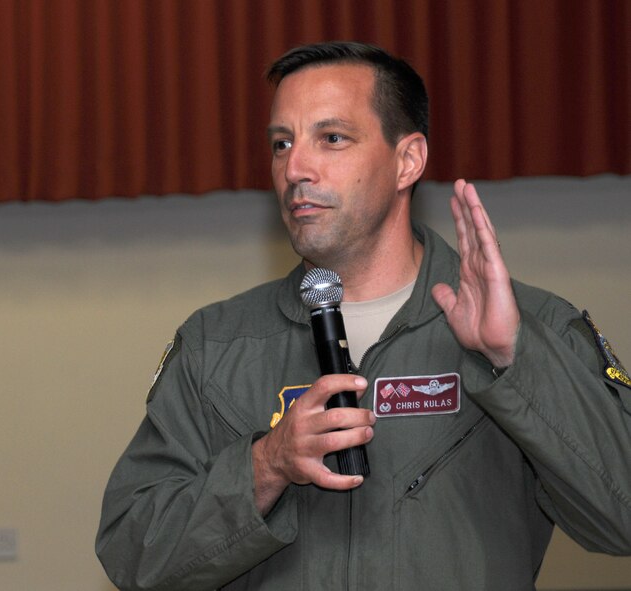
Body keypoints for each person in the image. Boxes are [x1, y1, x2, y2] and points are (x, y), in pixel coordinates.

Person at [95, 41, 631, 590]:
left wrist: (515, 356)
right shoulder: (217, 344)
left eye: (331, 138)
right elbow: (134, 557)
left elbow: (623, 517)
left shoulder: (532, 326)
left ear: (408, 160)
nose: (295, 168)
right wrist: (264, 466)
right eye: (282, 143)